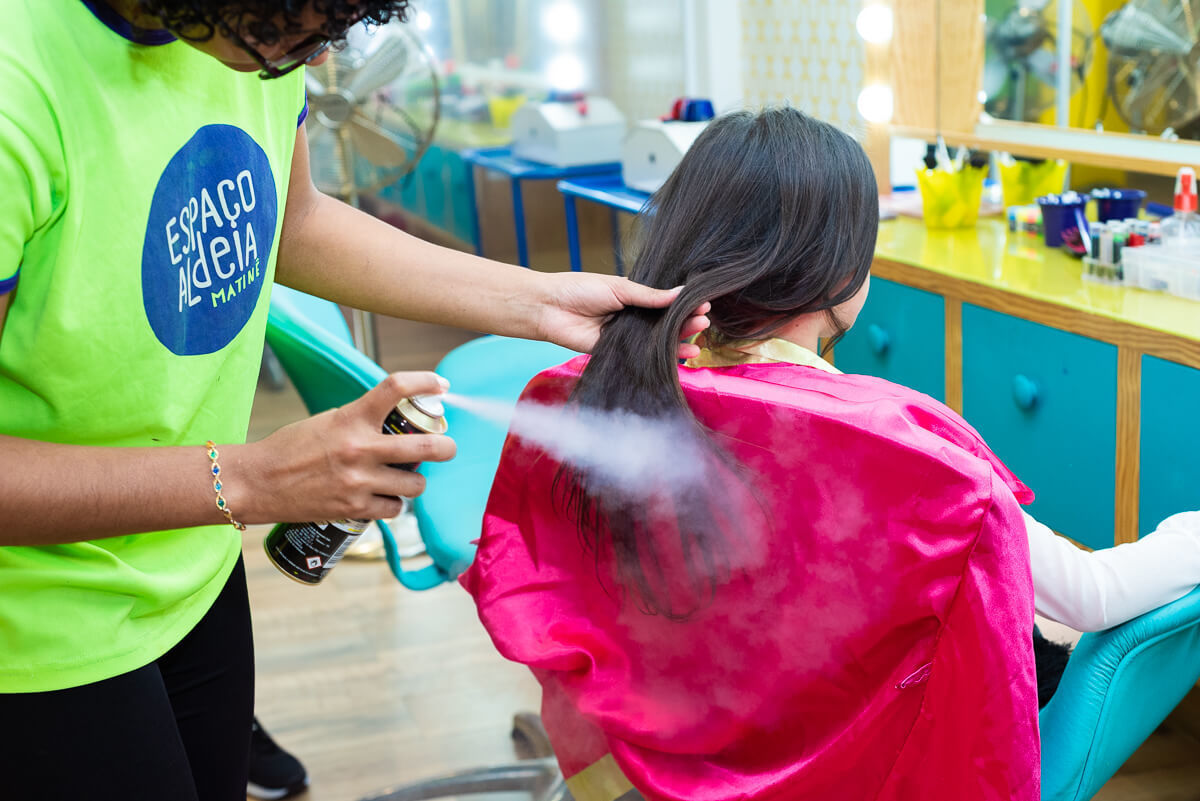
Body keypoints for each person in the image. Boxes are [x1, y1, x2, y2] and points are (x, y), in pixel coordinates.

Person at [0, 2, 708, 799]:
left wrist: (540, 301)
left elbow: (294, 219)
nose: (312, 62)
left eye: (328, 35)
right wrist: (249, 479)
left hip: (189, 562)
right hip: (35, 623)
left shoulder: (253, 33)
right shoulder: (18, 86)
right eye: (288, 36)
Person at [461, 107, 1200, 801]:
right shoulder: (891, 445)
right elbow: (1092, 595)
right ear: (843, 276)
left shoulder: (593, 394)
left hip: (664, 756)